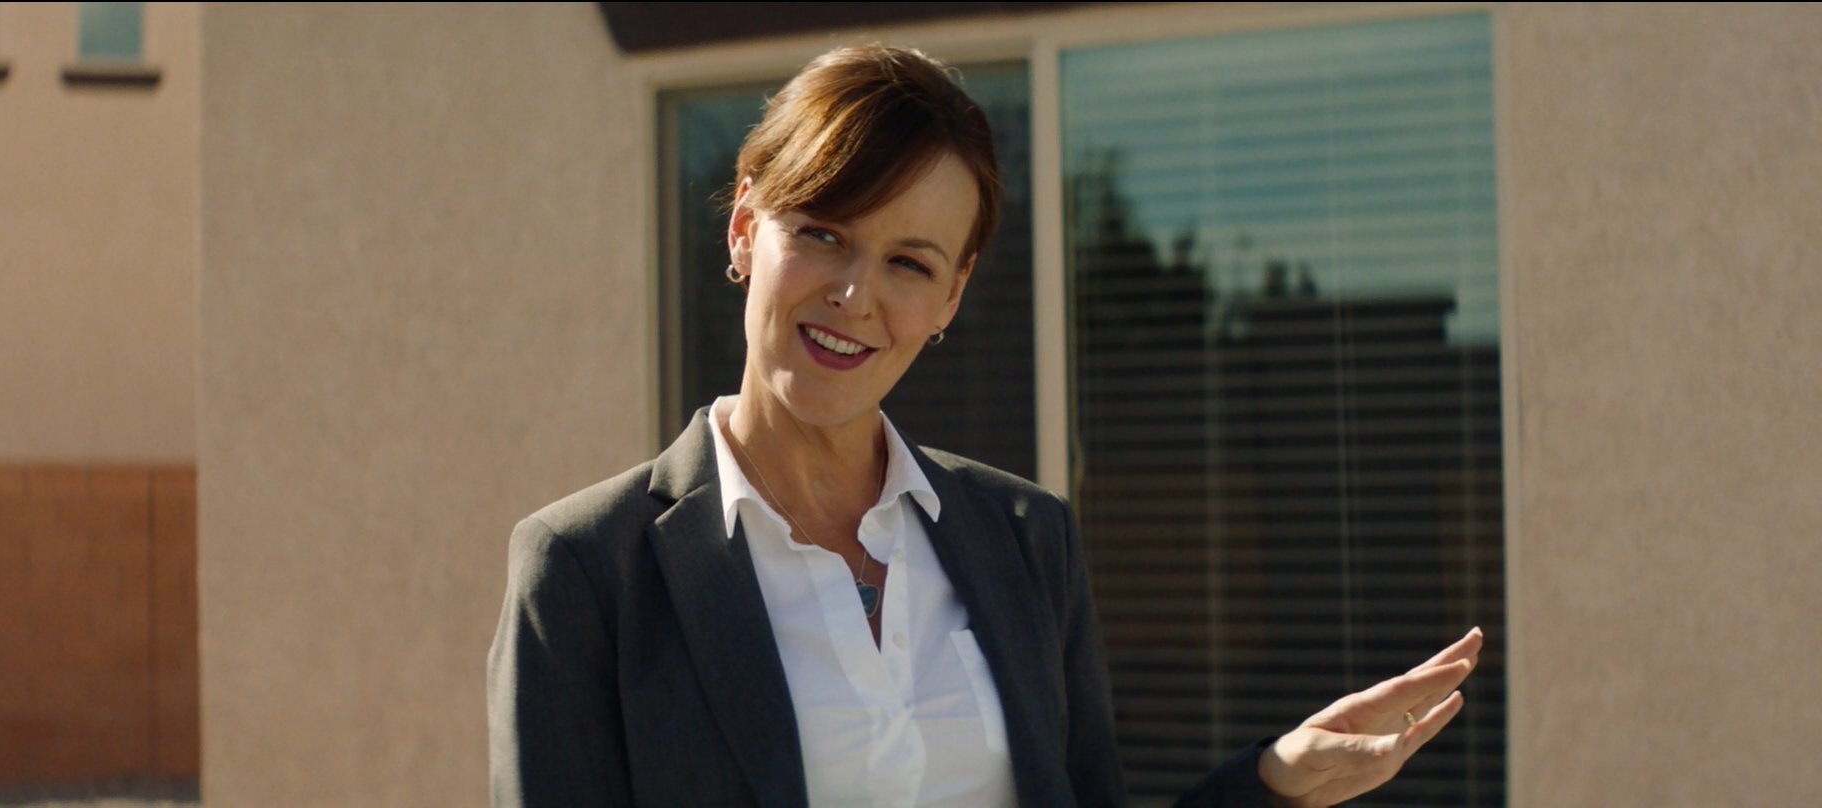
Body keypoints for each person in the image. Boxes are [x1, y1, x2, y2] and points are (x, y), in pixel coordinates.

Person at [487, 44, 1482, 807]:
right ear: (746, 227)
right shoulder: (586, 571)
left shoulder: (1025, 537)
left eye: (909, 263)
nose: (854, 295)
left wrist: (1270, 783)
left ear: (953, 295)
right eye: (822, 232)